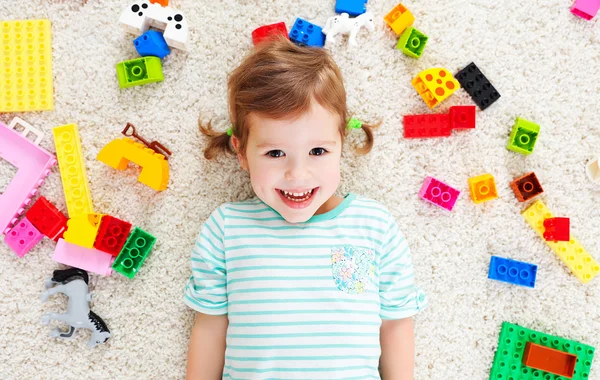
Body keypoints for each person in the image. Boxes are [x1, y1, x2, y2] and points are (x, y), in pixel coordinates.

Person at [184, 36, 427, 380]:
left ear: (342, 143)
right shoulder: (227, 229)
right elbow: (210, 328)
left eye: (318, 152)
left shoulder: (373, 226)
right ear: (241, 152)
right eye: (274, 153)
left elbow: (396, 325)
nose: (297, 175)